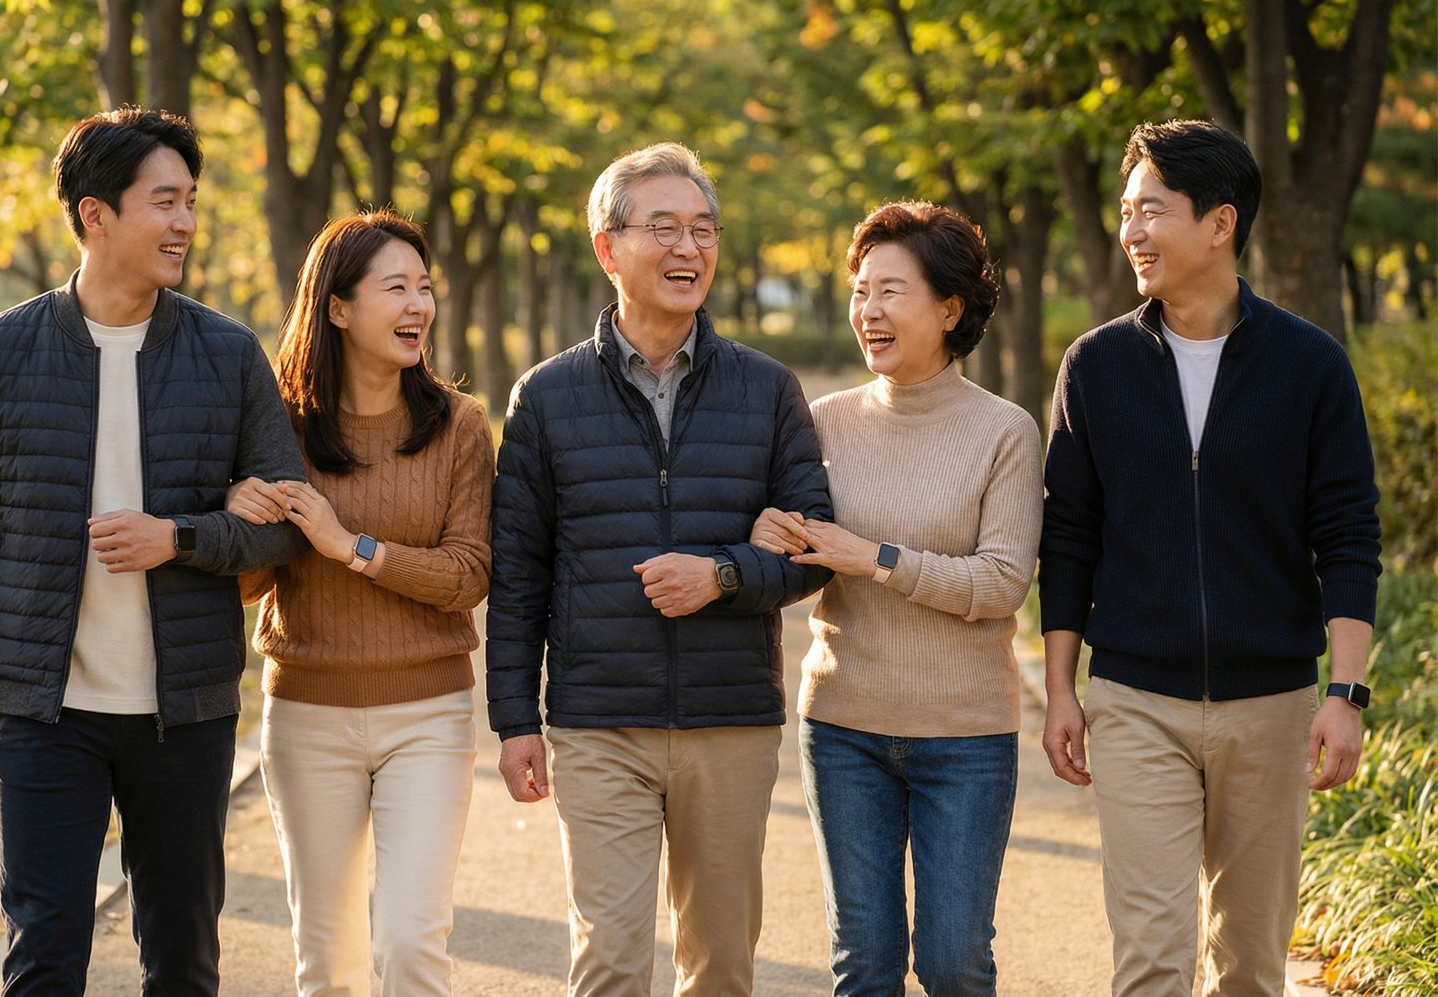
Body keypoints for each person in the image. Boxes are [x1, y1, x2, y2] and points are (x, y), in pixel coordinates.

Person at [0, 105, 307, 996]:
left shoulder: (228, 354)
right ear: (96, 214)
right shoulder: (0, 353)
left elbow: (287, 523)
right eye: (165, 201)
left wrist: (184, 535)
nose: (186, 224)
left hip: (186, 716)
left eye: (191, 201)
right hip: (46, 715)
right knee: (44, 952)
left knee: (183, 960)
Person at [1040, 119, 1381, 997]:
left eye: (1151, 209)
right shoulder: (1097, 365)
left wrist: (1343, 693)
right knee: (1152, 953)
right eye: (1125, 211)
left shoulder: (1310, 365)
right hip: (1135, 699)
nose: (1132, 232)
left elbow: (1348, 533)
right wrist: (1059, 692)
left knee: (1251, 966)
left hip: (1270, 705)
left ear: (1219, 222)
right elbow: (1069, 535)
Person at [486, 142, 833, 997]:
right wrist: (513, 718)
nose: (690, 249)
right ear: (608, 248)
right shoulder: (547, 394)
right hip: (599, 720)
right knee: (609, 956)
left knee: (719, 963)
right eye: (665, 228)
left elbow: (814, 546)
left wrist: (721, 574)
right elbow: (520, 569)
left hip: (730, 719)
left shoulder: (767, 388)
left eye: (705, 230)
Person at [751, 201, 1042, 996]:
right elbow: (794, 554)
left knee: (954, 962)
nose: (867, 311)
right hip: (843, 727)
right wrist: (770, 531)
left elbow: (1002, 582)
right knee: (865, 963)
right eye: (859, 290)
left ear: (949, 308)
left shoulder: (1005, 431)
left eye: (890, 291)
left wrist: (876, 558)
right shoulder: (821, 422)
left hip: (967, 735)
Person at [225, 212, 492, 997]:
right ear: (338, 307)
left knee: (411, 944)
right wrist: (239, 520)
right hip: (307, 714)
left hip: (430, 713)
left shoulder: (460, 426)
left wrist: (354, 547)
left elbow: (469, 573)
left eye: (425, 287)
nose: (419, 306)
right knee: (328, 959)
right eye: (396, 288)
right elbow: (245, 590)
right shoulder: (277, 425)